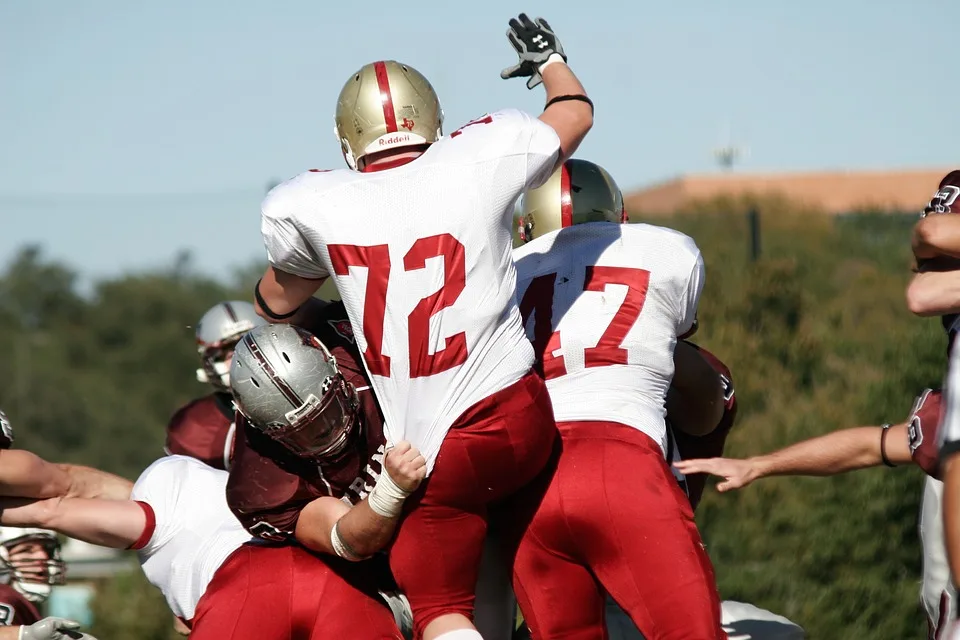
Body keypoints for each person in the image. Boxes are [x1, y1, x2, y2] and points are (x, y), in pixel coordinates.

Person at [252, 14, 592, 640]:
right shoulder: (480, 153)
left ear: (347, 138)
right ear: (433, 118)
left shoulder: (313, 201)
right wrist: (550, 63)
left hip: (432, 449)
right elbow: (574, 113)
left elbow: (276, 302)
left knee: (439, 606)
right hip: (520, 415)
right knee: (531, 563)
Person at [511, 158, 724, 639]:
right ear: (619, 216)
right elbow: (680, 344)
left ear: (528, 228)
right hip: (621, 465)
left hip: (529, 486)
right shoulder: (669, 250)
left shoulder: (506, 273)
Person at [0, 454, 405, 640]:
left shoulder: (157, 518)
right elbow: (71, 481)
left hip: (245, 589)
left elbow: (52, 508)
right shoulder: (232, 492)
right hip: (335, 583)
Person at [164, 300, 267, 469]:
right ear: (212, 363)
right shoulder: (195, 426)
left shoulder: (308, 392)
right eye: (229, 354)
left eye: (251, 348)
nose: (242, 360)